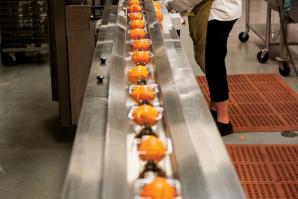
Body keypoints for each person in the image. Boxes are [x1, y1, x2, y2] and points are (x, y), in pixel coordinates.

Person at [166, 0, 242, 136]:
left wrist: (172, 5)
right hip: (224, 10)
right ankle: (214, 109)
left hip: (218, 13)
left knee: (213, 64)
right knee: (213, 60)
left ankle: (224, 121)